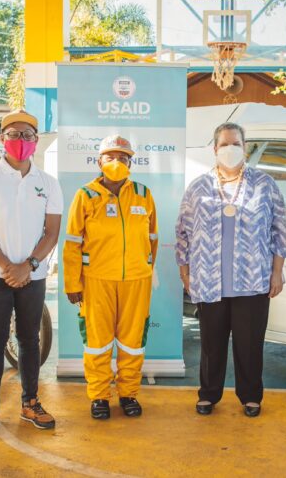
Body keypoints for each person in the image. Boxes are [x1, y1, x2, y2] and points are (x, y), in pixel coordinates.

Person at [175, 122, 286, 417]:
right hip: (209, 281)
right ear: (214, 149)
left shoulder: (264, 184)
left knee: (249, 344)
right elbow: (183, 232)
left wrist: (277, 272)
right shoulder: (198, 187)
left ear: (245, 147)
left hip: (252, 282)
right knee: (212, 345)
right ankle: (208, 395)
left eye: (235, 143)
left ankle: (250, 396)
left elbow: (280, 231)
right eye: (224, 144)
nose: (230, 149)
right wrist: (185, 272)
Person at [0, 109, 63, 437]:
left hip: (32, 276)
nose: (20, 140)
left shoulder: (48, 183)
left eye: (27, 135)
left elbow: (51, 232)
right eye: (13, 134)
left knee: (28, 340)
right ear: (1, 139)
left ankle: (30, 402)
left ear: (35, 141)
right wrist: (8, 266)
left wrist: (29, 266)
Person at [63, 135, 158, 420]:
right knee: (98, 342)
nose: (117, 162)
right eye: (110, 157)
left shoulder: (143, 193)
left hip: (137, 282)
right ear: (99, 162)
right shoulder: (86, 195)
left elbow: (153, 237)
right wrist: (72, 283)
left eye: (123, 157)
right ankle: (99, 397)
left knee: (132, 341)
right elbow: (71, 242)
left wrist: (147, 270)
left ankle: (128, 393)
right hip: (96, 281)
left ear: (131, 162)